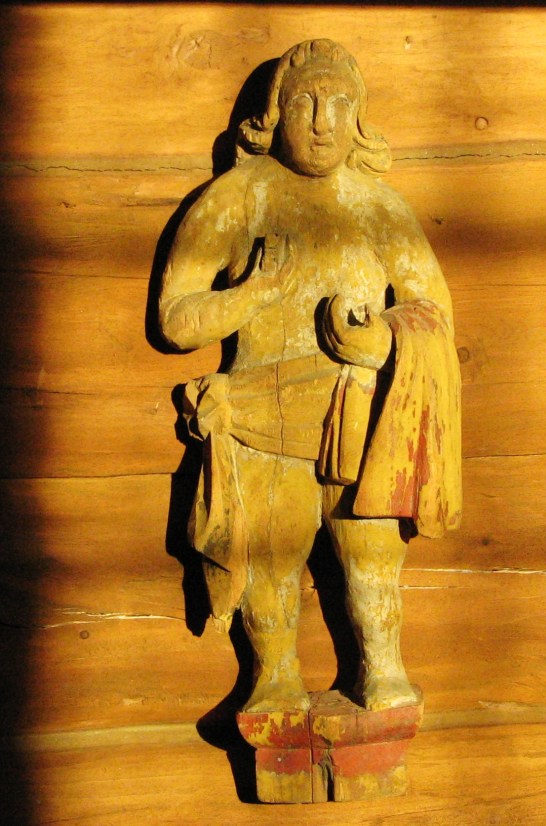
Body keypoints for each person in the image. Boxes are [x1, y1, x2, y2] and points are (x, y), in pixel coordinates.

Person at [159, 39, 461, 713]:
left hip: (359, 417)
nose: (323, 122)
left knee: (374, 558)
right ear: (275, 114)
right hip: (261, 420)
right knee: (271, 556)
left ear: (358, 118)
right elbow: (176, 319)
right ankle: (273, 678)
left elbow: (433, 309)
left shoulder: (380, 207)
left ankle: (383, 670)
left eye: (339, 104)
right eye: (304, 103)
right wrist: (254, 294)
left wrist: (383, 337)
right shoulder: (235, 198)